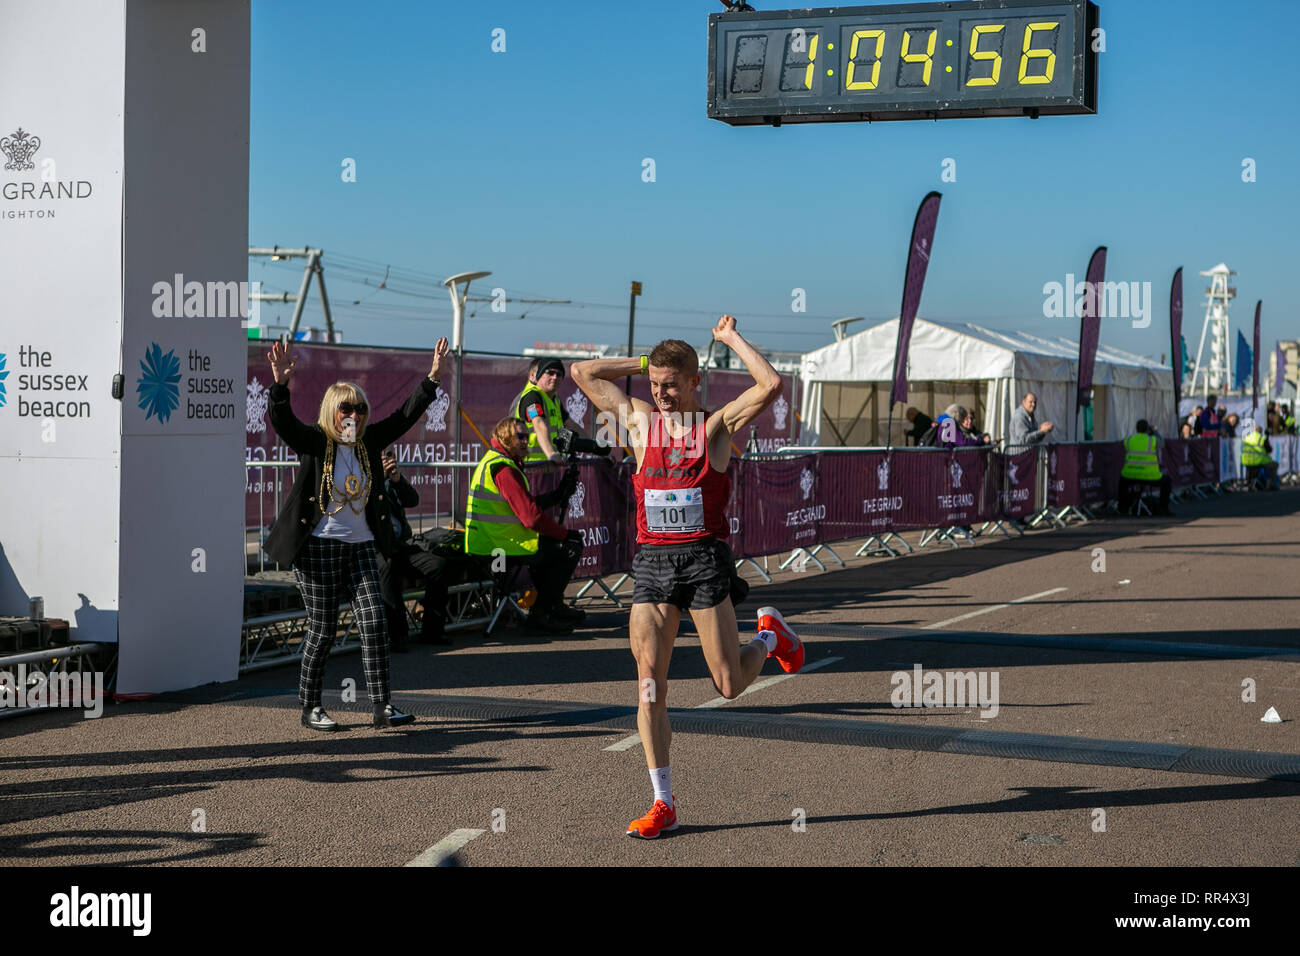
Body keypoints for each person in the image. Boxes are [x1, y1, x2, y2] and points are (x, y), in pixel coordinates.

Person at [571, 315, 803, 840]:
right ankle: (663, 802)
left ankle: (769, 635)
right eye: (654, 385)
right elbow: (582, 371)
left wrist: (729, 340)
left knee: (727, 684)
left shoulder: (715, 428)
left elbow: (770, 386)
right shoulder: (638, 422)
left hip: (702, 563)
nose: (661, 394)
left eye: (670, 385)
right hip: (652, 565)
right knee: (649, 685)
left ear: (696, 382)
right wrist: (646, 361)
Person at [265, 336, 450, 732]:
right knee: (324, 629)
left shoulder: (368, 443)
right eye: (346, 408)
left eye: (360, 408)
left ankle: (382, 706)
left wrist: (432, 378)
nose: (354, 414)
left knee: (373, 620)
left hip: (362, 546)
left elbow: (404, 416)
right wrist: (280, 386)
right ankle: (310, 705)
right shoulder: (316, 442)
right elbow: (283, 422)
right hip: (317, 548)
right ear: (333, 411)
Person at [464, 417, 586, 634]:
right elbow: (531, 518)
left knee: (553, 547)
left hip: (494, 543)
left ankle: (551, 607)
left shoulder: (499, 460)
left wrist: (557, 495)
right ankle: (541, 613)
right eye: (519, 436)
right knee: (568, 548)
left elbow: (525, 506)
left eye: (527, 436)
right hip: (498, 550)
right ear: (505, 437)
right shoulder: (503, 468)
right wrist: (565, 534)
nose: (525, 441)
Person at [375, 447, 453, 650]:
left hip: (401, 545)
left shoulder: (393, 481)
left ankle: (433, 630)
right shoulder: (365, 481)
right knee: (387, 566)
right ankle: (396, 634)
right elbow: (368, 507)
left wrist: (397, 480)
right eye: (383, 456)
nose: (387, 459)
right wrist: (378, 479)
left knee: (437, 564)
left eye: (389, 455)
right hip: (376, 548)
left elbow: (412, 500)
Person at [511, 357, 582, 463]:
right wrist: (551, 454)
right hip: (532, 466)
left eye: (559, 374)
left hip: (551, 465)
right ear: (538, 375)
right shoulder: (532, 397)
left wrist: (597, 448)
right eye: (550, 373)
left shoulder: (554, 400)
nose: (554, 377)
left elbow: (570, 424)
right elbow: (538, 422)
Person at [1118, 420, 1172, 515]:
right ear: (1147, 429)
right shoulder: (1152, 440)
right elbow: (1162, 443)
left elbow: (1122, 444)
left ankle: (1122, 508)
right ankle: (1164, 509)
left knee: (1122, 482)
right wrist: (1154, 431)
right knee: (1167, 482)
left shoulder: (1129, 440)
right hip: (1150, 476)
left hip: (1130, 475)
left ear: (1136, 429)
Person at [1241, 419, 1280, 490]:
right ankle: (1269, 485)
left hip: (1246, 461)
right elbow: (1269, 450)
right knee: (1275, 465)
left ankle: (1252, 483)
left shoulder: (1246, 437)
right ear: (1261, 432)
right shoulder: (1262, 438)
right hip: (1258, 461)